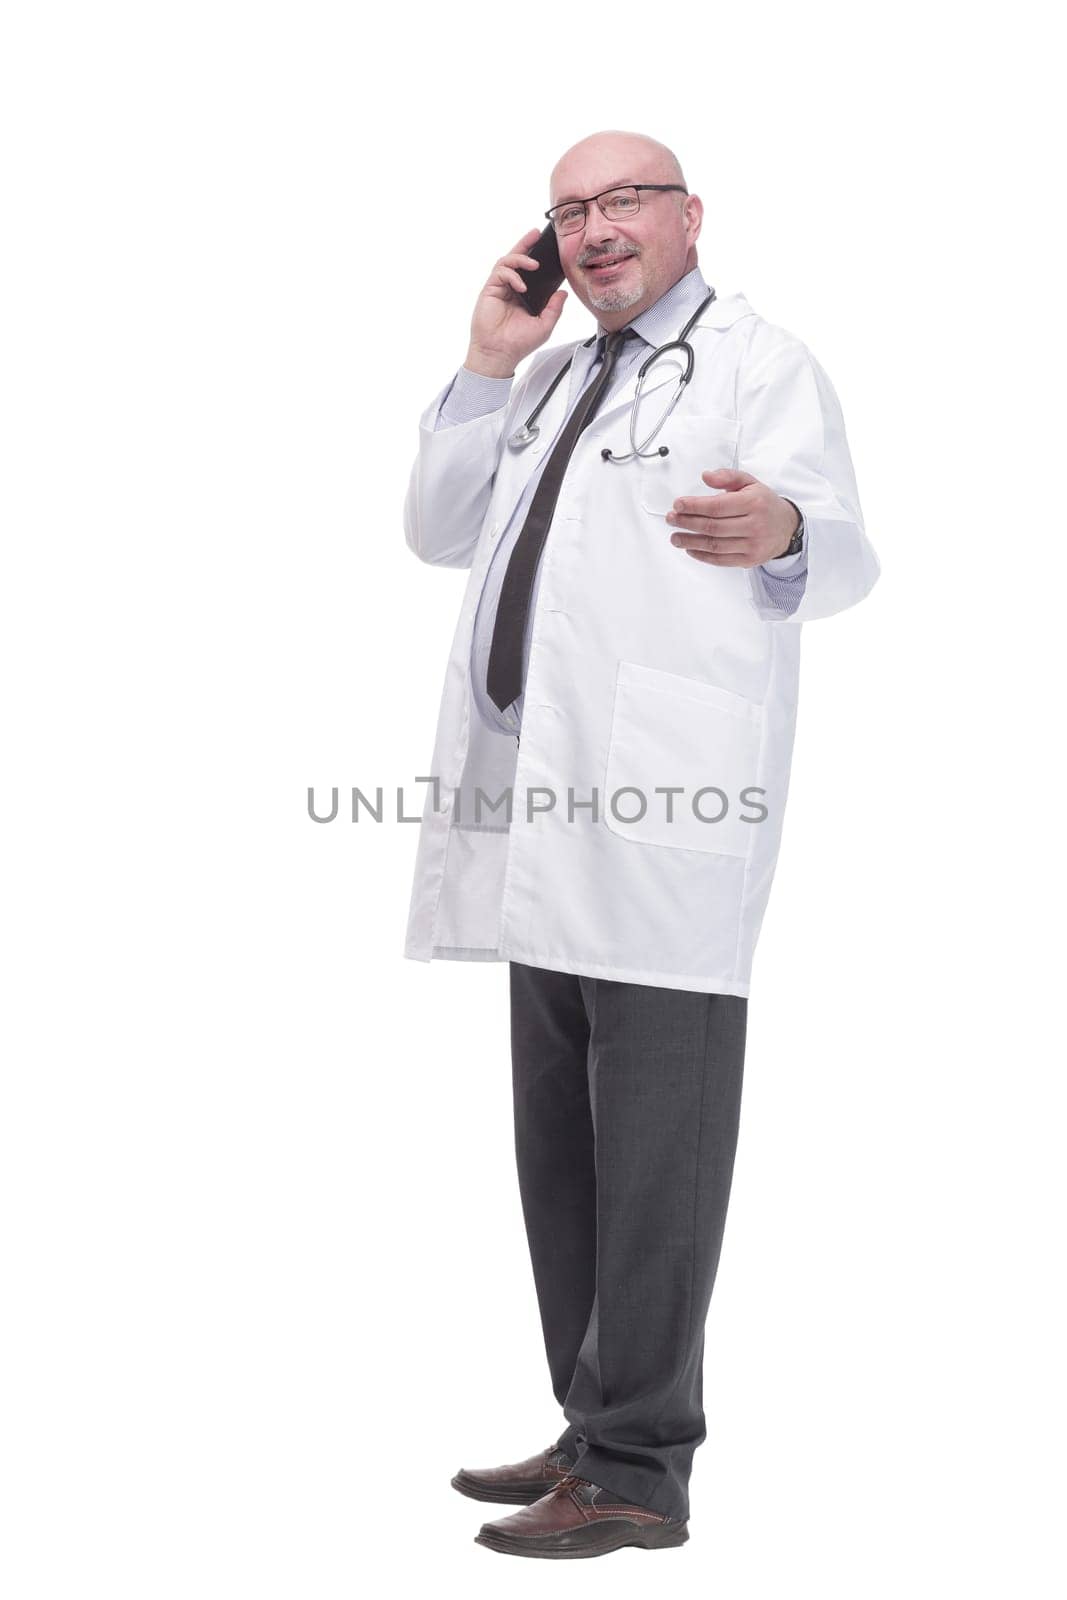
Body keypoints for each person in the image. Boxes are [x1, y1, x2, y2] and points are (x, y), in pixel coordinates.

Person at [401, 128, 880, 1559]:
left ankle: (642, 1468)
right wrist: (489, 359)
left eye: (623, 201)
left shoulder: (758, 363)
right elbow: (435, 527)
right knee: (563, 1149)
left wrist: (782, 524)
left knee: (657, 1149)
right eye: (568, 210)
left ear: (688, 215)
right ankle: (591, 1420)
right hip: (535, 809)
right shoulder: (549, 377)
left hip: (666, 820)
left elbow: (846, 551)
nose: (595, 227)